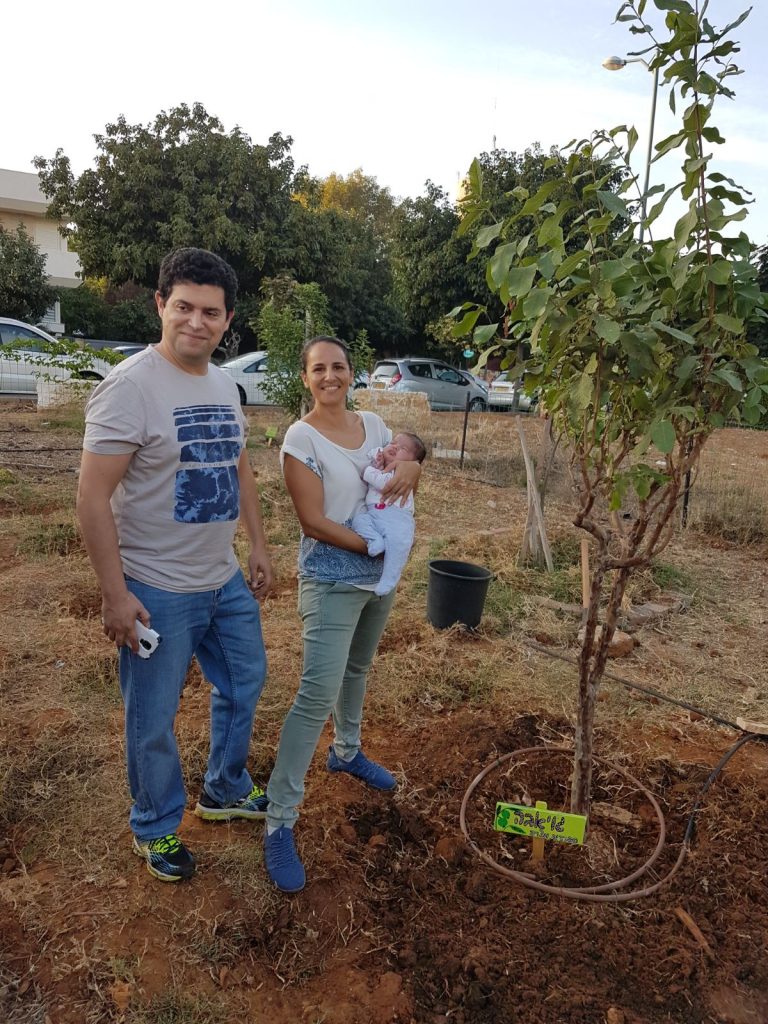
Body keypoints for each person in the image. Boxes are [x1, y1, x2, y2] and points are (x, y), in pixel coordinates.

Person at [76, 247, 273, 883]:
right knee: (153, 717)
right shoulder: (130, 388)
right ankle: (156, 825)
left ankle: (222, 788)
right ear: (161, 305)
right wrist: (115, 595)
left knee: (246, 681)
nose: (196, 321)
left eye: (210, 312)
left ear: (227, 319)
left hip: (222, 578)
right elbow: (91, 497)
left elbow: (238, 463)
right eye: (183, 306)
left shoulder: (224, 383)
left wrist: (259, 545)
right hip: (156, 587)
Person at [263, 336, 421, 892]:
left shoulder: (376, 425)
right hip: (332, 576)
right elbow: (312, 520)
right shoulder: (300, 437)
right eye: (318, 369)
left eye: (339, 367)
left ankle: (347, 752)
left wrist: (413, 475)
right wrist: (373, 549)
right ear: (306, 377)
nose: (330, 376)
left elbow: (402, 469)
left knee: (357, 670)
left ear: (352, 373)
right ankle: (279, 820)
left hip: (377, 581)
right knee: (313, 695)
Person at [351, 432, 426, 596]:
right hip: (374, 514)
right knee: (359, 521)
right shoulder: (382, 465)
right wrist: (378, 458)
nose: (395, 447)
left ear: (412, 463)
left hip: (397, 518)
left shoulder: (399, 474)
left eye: (403, 448)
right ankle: (375, 541)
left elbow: (384, 484)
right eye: (393, 443)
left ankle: (389, 580)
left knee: (397, 548)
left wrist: (369, 471)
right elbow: (373, 451)